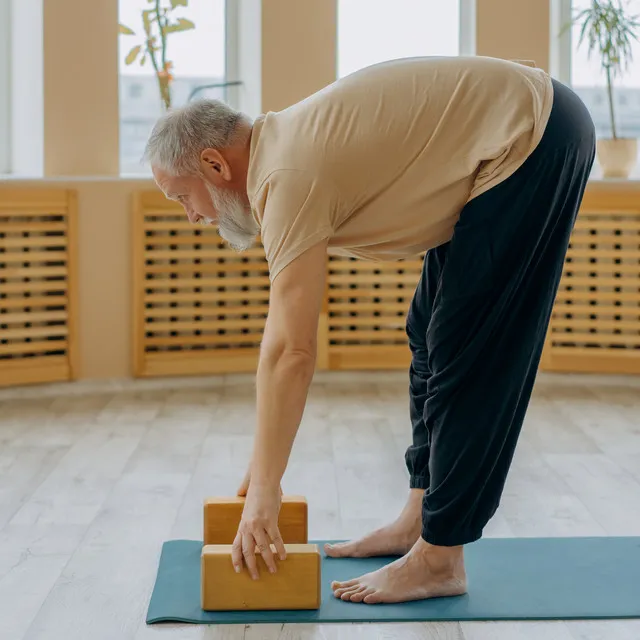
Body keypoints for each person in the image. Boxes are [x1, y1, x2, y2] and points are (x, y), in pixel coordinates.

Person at [144, 55, 596, 605]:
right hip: (510, 140)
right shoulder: (282, 154)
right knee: (429, 334)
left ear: (215, 165)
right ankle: (418, 518)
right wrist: (263, 473)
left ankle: (439, 559)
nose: (192, 216)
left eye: (182, 197)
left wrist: (265, 486)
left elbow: (291, 349)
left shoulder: (285, 174)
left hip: (533, 136)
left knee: (468, 354)